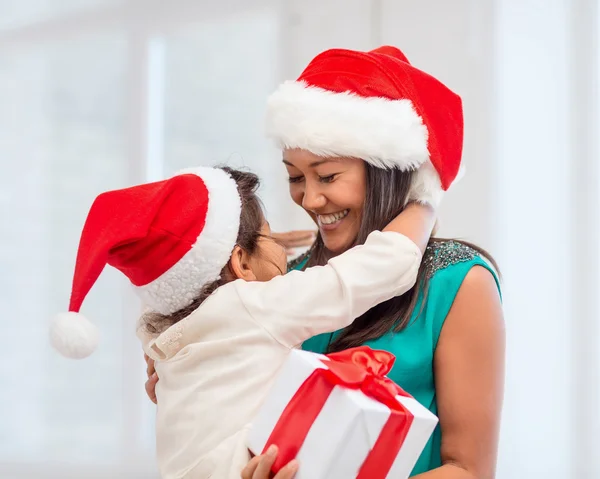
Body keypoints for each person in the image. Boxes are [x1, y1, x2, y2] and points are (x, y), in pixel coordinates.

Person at [147, 46, 505, 479]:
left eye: (328, 176)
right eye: (295, 177)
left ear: (385, 171)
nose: (310, 200)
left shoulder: (457, 283)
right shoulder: (286, 282)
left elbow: (469, 470)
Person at [50, 165, 436, 478]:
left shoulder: (161, 327)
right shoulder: (253, 305)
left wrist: (263, 246)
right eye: (268, 236)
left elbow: (190, 272)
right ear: (241, 262)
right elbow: (372, 272)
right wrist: (423, 201)